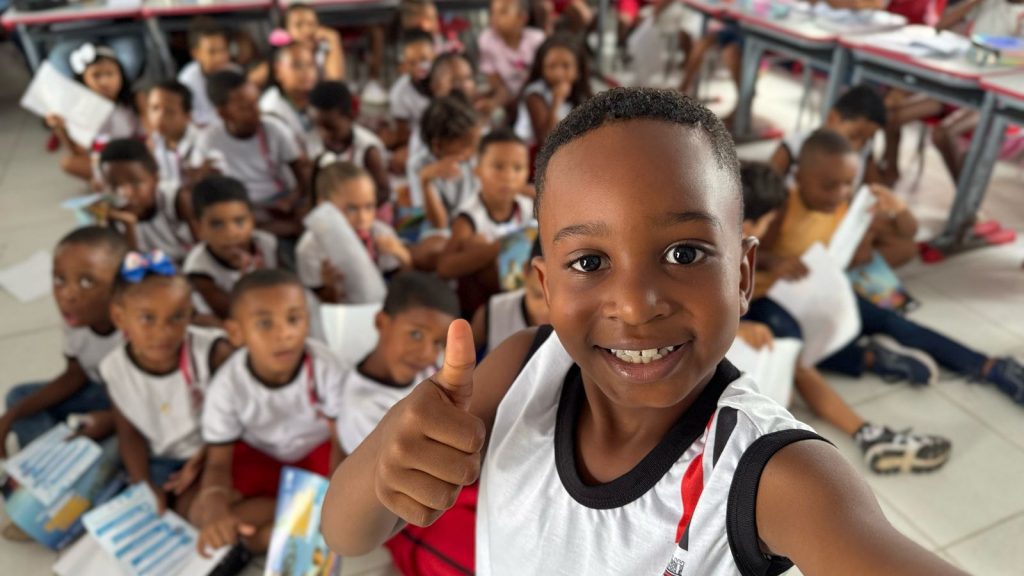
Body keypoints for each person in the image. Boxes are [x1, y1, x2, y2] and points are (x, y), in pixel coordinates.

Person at [321, 87, 967, 574]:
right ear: (544, 287)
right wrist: (392, 452)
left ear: (744, 274)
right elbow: (346, 534)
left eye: (684, 253)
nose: (635, 306)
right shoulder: (521, 371)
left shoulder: (772, 476)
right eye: (589, 262)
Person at [759, 130, 1024, 404]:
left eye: (848, 183)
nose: (840, 193)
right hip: (777, 300)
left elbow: (908, 232)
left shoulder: (842, 206)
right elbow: (755, 253)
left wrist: (899, 208)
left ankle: (990, 366)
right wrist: (774, 261)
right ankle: (874, 358)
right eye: (829, 186)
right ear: (799, 176)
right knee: (794, 343)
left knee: (893, 322)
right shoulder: (782, 209)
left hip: (823, 293)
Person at [739, 163, 951, 474]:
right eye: (767, 221)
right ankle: (860, 436)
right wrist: (738, 330)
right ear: (748, 224)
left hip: (743, 328)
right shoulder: (716, 257)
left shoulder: (727, 247)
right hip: (705, 363)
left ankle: (867, 434)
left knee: (793, 360)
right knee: (783, 374)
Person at [193, 269, 345, 555]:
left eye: (294, 319)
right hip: (262, 457)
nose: (284, 333)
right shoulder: (226, 386)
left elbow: (342, 440)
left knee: (355, 487)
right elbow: (218, 462)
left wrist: (336, 492)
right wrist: (215, 511)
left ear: (307, 322)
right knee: (202, 514)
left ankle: (277, 530)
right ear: (236, 333)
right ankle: (297, 520)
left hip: (317, 453)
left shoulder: (326, 367)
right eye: (265, 323)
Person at [103, 252, 234, 516]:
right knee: (109, 500)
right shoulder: (114, 368)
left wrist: (205, 460)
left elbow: (240, 423)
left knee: (197, 512)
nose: (163, 332)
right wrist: (143, 484)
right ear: (119, 317)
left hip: (218, 454)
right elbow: (129, 432)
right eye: (147, 318)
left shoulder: (213, 354)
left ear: (190, 312)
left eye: (177, 317)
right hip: (161, 459)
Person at [0, 227, 127, 456]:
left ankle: (55, 459)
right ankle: (57, 458)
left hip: (140, 410)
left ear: (121, 287)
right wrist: (11, 416)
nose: (67, 294)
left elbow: (162, 404)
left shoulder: (137, 331)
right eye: (59, 279)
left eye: (87, 282)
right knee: (18, 398)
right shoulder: (77, 318)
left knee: (127, 447)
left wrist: (112, 421)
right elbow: (75, 374)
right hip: (100, 392)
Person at [194, 69, 309, 239]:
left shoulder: (274, 129)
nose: (256, 111)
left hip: (278, 201)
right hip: (239, 207)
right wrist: (202, 176)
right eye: (245, 108)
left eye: (256, 102)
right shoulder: (209, 140)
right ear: (223, 113)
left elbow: (302, 176)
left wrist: (291, 199)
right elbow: (201, 184)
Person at [437, 129, 534, 316]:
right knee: (475, 244)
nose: (508, 176)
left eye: (517, 168)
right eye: (498, 167)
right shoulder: (469, 217)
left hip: (525, 291)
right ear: (478, 170)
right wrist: (497, 247)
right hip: (484, 303)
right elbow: (444, 268)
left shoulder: (526, 207)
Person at [297, 163, 411, 303]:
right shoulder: (310, 248)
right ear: (324, 206)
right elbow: (317, 304)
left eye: (369, 206)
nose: (362, 218)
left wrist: (402, 255)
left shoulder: (381, 233)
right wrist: (329, 286)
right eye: (351, 209)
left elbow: (403, 289)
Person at [184, 175, 279, 320]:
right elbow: (232, 315)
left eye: (239, 221)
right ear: (199, 228)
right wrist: (251, 284)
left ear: (252, 220)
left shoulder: (267, 244)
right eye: (216, 224)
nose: (230, 233)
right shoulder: (198, 268)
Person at [46, 43, 140, 183]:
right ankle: (115, 179)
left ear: (121, 74)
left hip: (137, 156)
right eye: (96, 75)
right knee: (68, 162)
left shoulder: (135, 99)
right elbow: (79, 151)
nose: (105, 81)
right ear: (84, 79)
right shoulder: (81, 108)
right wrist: (60, 128)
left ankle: (117, 180)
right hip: (105, 160)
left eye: (110, 73)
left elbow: (152, 137)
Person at [769, 84, 888, 187]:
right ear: (832, 118)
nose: (857, 146)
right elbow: (766, 187)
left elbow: (875, 188)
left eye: (866, 140)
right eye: (853, 136)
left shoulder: (864, 154)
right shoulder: (794, 147)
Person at [99, 139, 194, 263]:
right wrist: (128, 226)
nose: (123, 193)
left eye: (134, 182)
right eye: (113, 185)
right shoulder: (114, 216)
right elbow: (131, 267)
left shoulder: (178, 200)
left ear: (156, 178)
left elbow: (207, 252)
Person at [406, 94, 483, 230]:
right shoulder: (418, 165)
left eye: (475, 144)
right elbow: (439, 224)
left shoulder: (473, 159)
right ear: (438, 146)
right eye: (466, 146)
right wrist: (425, 181)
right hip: (439, 230)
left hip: (471, 224)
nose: (473, 151)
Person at [308, 81, 390, 205]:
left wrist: (353, 206)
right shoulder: (312, 142)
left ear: (350, 116)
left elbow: (384, 191)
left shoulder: (368, 148)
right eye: (318, 126)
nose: (324, 134)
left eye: (331, 127)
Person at [471, 238, 550, 355]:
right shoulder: (493, 313)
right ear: (525, 271)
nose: (546, 309)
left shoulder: (577, 325)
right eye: (537, 296)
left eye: (557, 300)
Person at [514, 34, 592, 147]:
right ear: (542, 68)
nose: (558, 73)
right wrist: (557, 101)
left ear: (578, 71)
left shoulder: (581, 94)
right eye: (552, 66)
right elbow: (547, 140)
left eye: (566, 66)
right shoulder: (534, 95)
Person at [478, 0, 546, 111]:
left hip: (537, 98)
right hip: (508, 103)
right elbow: (497, 86)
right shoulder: (487, 40)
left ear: (522, 17)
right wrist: (494, 103)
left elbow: (544, 80)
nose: (494, 18)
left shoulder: (538, 40)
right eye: (492, 12)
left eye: (503, 12)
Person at [383, 29, 438, 165]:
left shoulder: (445, 79)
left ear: (435, 55)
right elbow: (403, 134)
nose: (419, 66)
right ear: (404, 66)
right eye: (412, 63)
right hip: (420, 142)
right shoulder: (399, 93)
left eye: (424, 60)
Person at [260, 41, 323, 159]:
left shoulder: (316, 101)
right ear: (277, 71)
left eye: (311, 65)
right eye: (297, 65)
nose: (306, 72)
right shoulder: (270, 108)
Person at [146, 80, 202, 191]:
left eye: (169, 111)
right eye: (154, 108)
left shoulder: (203, 144)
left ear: (188, 116)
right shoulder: (153, 143)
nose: (159, 117)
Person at [178, 18, 234, 128]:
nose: (220, 57)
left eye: (223, 50)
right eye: (212, 52)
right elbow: (190, 122)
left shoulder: (234, 72)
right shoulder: (186, 81)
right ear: (196, 54)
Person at [283, 3, 345, 81]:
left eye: (311, 24)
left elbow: (335, 81)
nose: (307, 30)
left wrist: (333, 39)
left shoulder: (322, 50)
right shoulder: (282, 55)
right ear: (285, 29)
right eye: (298, 25)